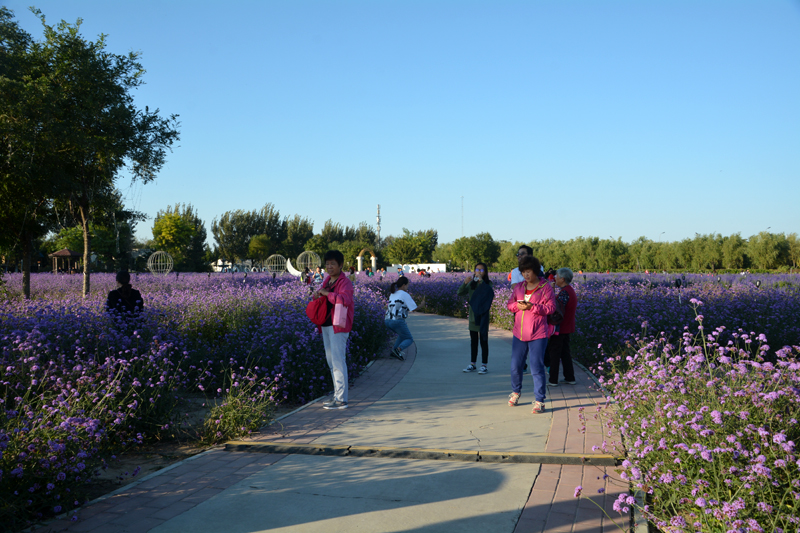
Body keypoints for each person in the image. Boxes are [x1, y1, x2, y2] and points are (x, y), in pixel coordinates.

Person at [506, 256, 555, 414]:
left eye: (529, 271)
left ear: (535, 271)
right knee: (515, 366)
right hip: (519, 333)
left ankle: (540, 400)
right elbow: (510, 305)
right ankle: (516, 392)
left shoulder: (545, 287)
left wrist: (532, 307)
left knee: (536, 367)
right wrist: (517, 306)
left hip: (538, 334)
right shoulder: (519, 287)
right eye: (523, 272)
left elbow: (551, 308)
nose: (526, 275)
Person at [313, 251, 354, 410]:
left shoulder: (345, 282)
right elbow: (325, 297)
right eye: (327, 264)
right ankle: (337, 396)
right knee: (331, 362)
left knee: (338, 361)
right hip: (327, 325)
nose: (329, 267)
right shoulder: (327, 281)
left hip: (338, 326)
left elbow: (344, 300)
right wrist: (318, 295)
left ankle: (341, 399)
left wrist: (327, 293)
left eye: (333, 264)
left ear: (340, 265)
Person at [457, 263, 494, 374]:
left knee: (483, 341)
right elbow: (460, 293)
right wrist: (465, 283)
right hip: (473, 316)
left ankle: (484, 365)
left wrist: (481, 281)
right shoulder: (471, 284)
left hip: (483, 316)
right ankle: (473, 364)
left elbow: (488, 293)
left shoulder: (488, 283)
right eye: (477, 269)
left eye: (481, 270)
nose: (479, 272)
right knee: (473, 341)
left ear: (485, 272)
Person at [546, 268, 578, 387]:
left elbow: (556, 309)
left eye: (557, 277)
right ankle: (570, 377)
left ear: (562, 279)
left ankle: (553, 380)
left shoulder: (565, 292)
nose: (555, 279)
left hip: (561, 328)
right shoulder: (569, 290)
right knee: (565, 352)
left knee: (554, 353)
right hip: (567, 326)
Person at [384, 276, 417, 361]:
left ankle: (394, 352)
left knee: (402, 335)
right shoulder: (404, 294)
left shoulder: (393, 293)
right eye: (407, 285)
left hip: (387, 320)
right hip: (397, 321)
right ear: (403, 285)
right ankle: (398, 350)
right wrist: (422, 304)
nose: (407, 287)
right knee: (409, 338)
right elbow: (413, 309)